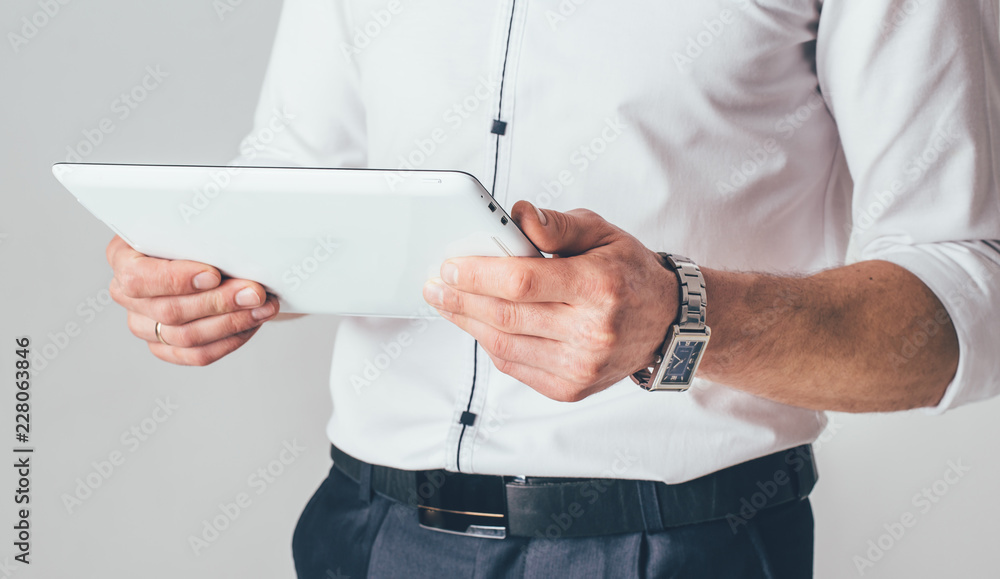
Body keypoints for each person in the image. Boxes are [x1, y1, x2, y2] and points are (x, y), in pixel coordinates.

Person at [106, 0, 1000, 577]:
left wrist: (679, 319)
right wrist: (203, 271)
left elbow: (968, 286)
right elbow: (304, 170)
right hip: (361, 530)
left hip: (676, 543)